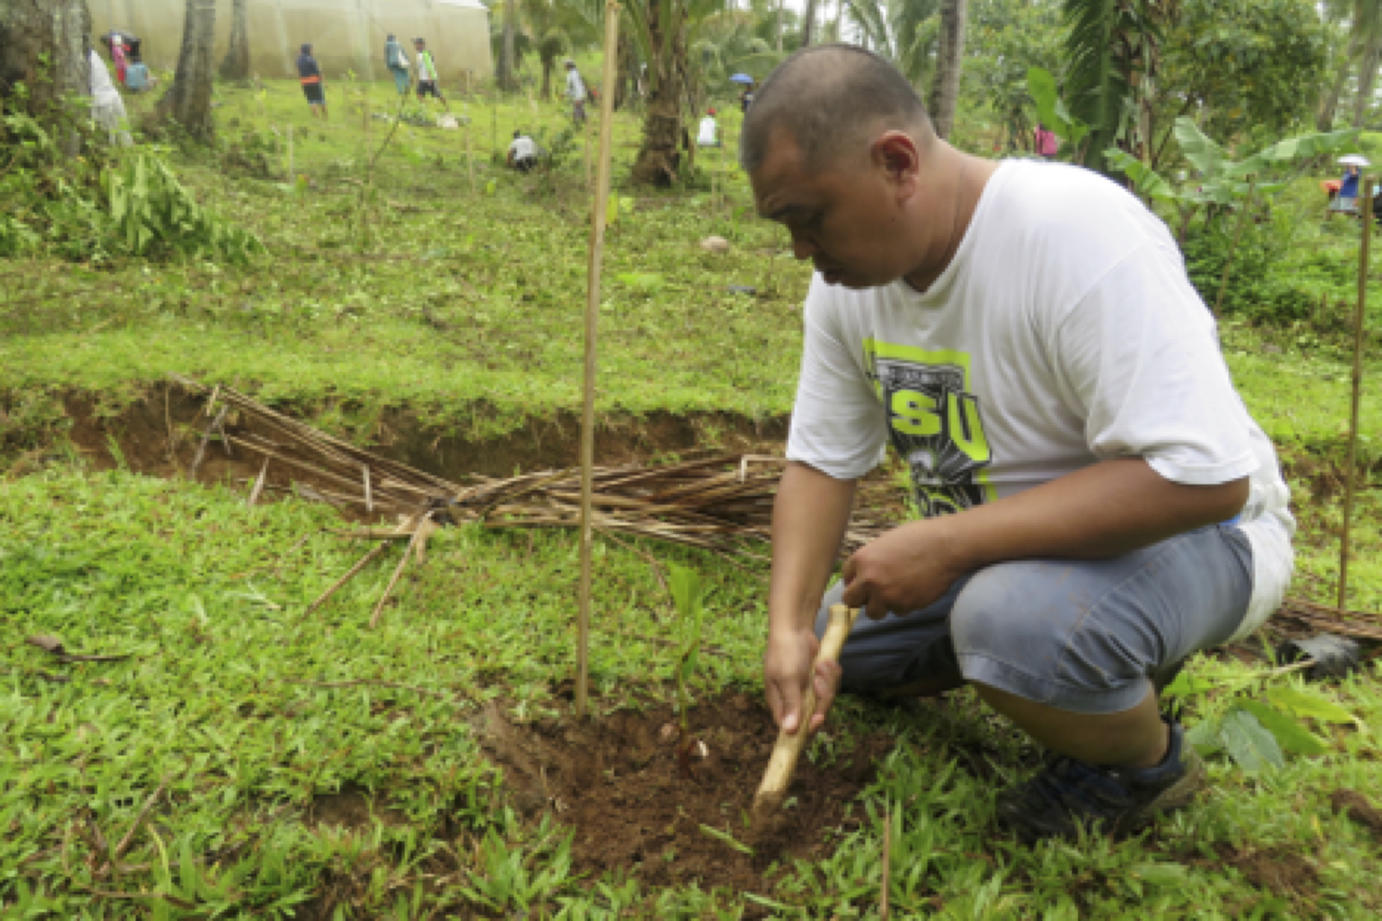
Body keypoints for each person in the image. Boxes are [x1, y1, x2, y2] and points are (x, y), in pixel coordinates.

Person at [741, 44, 1294, 844]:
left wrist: (948, 541)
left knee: (1011, 628)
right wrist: (788, 626)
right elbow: (822, 460)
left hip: (1208, 535)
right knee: (847, 640)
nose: (801, 250)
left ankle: (1146, 763)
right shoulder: (847, 289)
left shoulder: (1074, 233)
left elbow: (1205, 481)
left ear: (897, 163)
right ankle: (1071, 653)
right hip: (1008, 553)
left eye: (809, 217)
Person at [88, 47, 132, 146]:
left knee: (107, 139)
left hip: (101, 100)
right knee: (123, 134)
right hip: (112, 95)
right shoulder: (94, 54)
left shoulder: (87, 56)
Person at [296, 43, 327, 119]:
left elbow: (299, 71)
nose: (312, 51)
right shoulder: (311, 59)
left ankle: (317, 118)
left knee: (311, 100)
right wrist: (323, 81)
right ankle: (325, 117)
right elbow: (318, 71)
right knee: (321, 99)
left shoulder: (298, 60)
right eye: (311, 49)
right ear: (308, 50)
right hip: (314, 81)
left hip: (304, 82)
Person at [414, 38, 446, 106]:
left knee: (437, 94)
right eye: (415, 44)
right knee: (419, 94)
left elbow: (430, 66)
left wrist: (430, 77)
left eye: (417, 44)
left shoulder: (425, 54)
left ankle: (447, 107)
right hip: (422, 78)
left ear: (422, 45)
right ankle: (424, 106)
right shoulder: (419, 54)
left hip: (429, 78)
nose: (415, 46)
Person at [564, 59, 587, 125]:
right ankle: (587, 124)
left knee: (576, 112)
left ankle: (576, 126)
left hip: (578, 95)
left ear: (568, 66)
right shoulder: (576, 73)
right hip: (582, 94)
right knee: (581, 111)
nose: (564, 67)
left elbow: (571, 87)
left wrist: (565, 93)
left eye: (565, 65)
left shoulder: (570, 75)